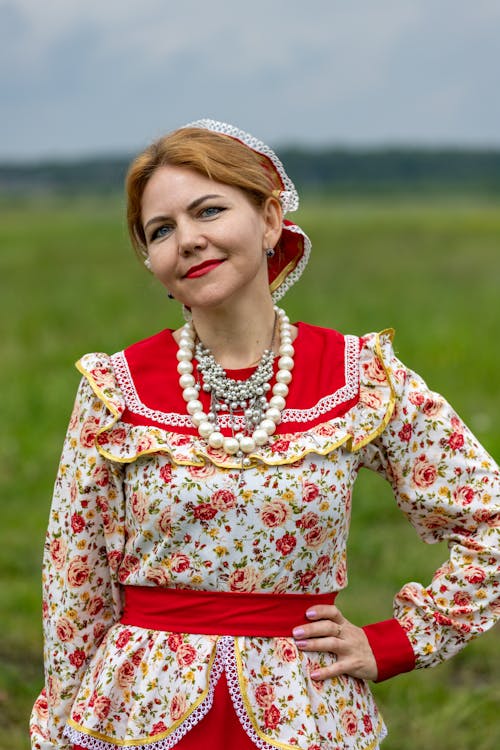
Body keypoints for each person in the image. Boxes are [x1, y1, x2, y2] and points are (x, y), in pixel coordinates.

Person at [30, 119, 499, 750]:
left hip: (303, 709)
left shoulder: (360, 377)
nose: (188, 240)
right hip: (138, 712)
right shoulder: (116, 390)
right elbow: (74, 584)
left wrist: (395, 642)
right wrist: (63, 724)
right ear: (151, 260)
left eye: (209, 210)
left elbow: (489, 519)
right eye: (161, 230)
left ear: (271, 220)